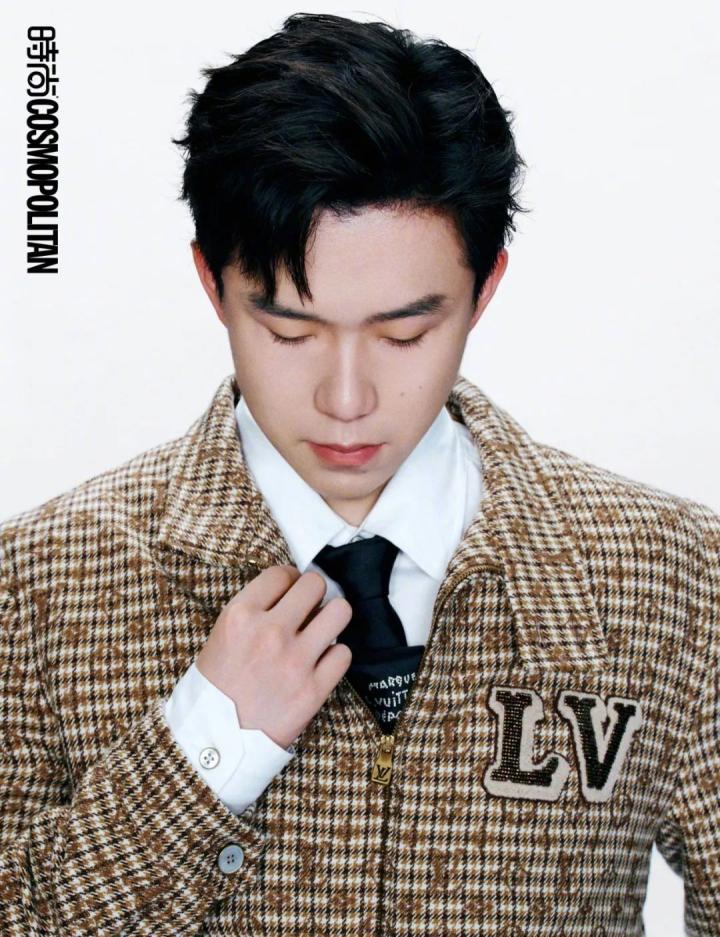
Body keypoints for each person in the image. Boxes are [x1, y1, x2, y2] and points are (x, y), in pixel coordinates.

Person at [0, 12, 717, 936]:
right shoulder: (34, 588)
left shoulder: (676, 577)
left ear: (485, 288)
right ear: (212, 285)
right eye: (289, 331)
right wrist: (202, 748)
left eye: (405, 332)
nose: (347, 399)